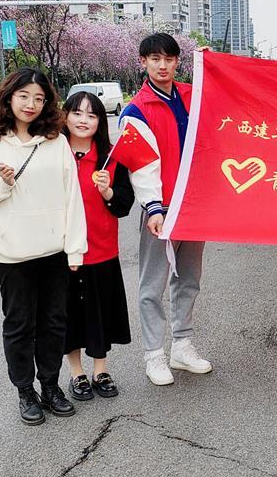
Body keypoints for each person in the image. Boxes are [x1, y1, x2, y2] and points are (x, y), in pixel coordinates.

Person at [0, 68, 87, 426]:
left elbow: (72, 197)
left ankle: (50, 385)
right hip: (11, 254)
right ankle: (25, 391)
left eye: (39, 98)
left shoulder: (56, 141)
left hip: (54, 252)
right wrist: (1, 185)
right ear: (9, 96)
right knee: (19, 325)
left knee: (53, 323)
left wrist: (75, 248)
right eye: (24, 96)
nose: (31, 104)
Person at [120, 33, 211, 386]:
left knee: (188, 279)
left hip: (194, 206)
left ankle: (182, 345)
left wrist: (212, 66)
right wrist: (153, 208)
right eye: (155, 59)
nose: (162, 66)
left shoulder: (192, 96)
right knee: (152, 284)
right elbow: (141, 164)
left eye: (169, 59)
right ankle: (154, 353)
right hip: (161, 209)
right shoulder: (136, 111)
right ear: (142, 62)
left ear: (177, 62)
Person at [62, 91, 134, 401]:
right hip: (64, 250)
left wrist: (107, 192)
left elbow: (124, 205)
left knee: (100, 312)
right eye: (77, 113)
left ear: (100, 122)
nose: (83, 120)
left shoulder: (111, 159)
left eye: (91, 115)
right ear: (65, 116)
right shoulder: (53, 154)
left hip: (102, 249)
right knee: (70, 315)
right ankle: (76, 373)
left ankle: (100, 370)